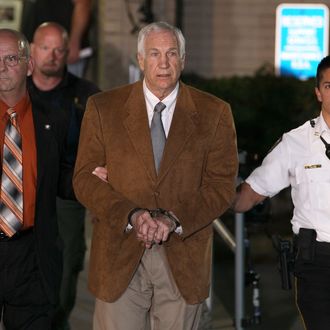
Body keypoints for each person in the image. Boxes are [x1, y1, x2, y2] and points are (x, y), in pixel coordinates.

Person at [73, 21, 238, 329]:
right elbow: (84, 179)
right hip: (119, 252)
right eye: (154, 54)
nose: (163, 63)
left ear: (183, 60)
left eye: (172, 53)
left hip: (183, 255)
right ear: (140, 60)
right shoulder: (103, 108)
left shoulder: (215, 113)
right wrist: (131, 214)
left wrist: (173, 220)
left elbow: (221, 186)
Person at [233, 55, 330, 330]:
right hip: (317, 264)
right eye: (329, 86)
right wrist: (210, 195)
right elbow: (249, 194)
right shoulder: (296, 142)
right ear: (318, 92)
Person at [28, 22, 100, 330]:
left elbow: (104, 147)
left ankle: (55, 323)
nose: (53, 55)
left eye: (60, 49)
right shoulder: (11, 91)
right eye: (46, 47)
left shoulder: (86, 96)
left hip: (68, 196)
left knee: (68, 262)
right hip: (19, 193)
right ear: (32, 50)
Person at [0, 29, 73, 329]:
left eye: (11, 58)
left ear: (29, 65)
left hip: (33, 257)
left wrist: (94, 180)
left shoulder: (54, 120)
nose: (2, 67)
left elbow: (65, 178)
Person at [21, 0, 92, 77]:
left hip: (63, 50)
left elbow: (83, 4)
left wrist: (74, 42)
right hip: (34, 49)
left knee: (67, 87)